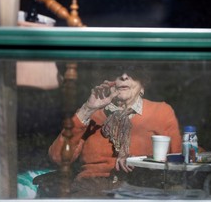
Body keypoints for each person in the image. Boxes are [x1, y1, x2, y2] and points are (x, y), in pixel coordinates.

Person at [48, 64, 182, 198]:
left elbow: (179, 158)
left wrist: (138, 160)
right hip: (93, 189)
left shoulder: (161, 112)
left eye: (132, 72)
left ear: (142, 84)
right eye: (116, 72)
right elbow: (58, 157)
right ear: (106, 81)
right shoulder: (92, 113)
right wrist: (88, 109)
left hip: (141, 187)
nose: (124, 77)